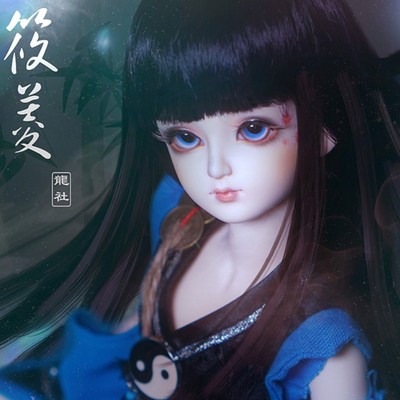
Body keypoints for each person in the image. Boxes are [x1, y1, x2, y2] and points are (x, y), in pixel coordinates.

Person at [0, 0, 399, 398]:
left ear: (325, 130)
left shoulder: (323, 344)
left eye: (254, 129)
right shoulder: (179, 220)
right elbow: (138, 334)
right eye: (186, 137)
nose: (215, 167)